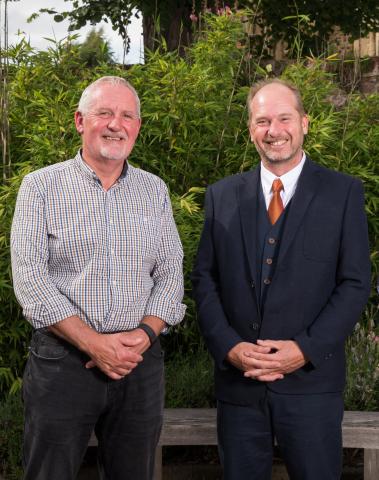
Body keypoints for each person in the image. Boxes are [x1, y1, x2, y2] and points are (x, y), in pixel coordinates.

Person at [192, 78, 371, 480]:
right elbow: (205, 280)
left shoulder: (342, 193)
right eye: (262, 121)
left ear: (305, 122)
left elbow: (355, 283)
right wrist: (229, 348)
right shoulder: (221, 196)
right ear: (251, 130)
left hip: (312, 387)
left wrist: (304, 350)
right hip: (239, 388)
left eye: (284, 118)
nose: (274, 131)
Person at [11, 76, 186, 480]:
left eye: (127, 116)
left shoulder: (153, 190)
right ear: (79, 121)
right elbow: (30, 279)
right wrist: (94, 343)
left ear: (137, 128)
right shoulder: (41, 186)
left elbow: (170, 275)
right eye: (104, 113)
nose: (115, 124)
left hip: (138, 363)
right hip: (63, 363)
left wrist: (142, 336)